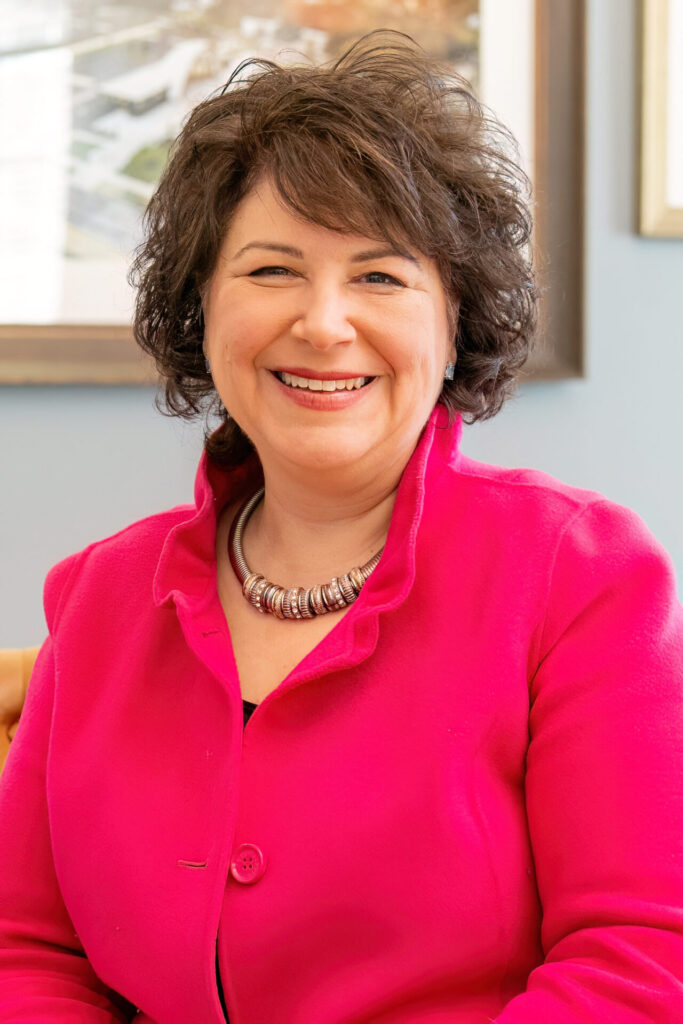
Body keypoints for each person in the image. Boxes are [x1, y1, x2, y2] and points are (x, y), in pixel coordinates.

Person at [0, 31, 682, 1024]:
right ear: (201, 306)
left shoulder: (576, 576)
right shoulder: (100, 595)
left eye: (379, 277)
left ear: (454, 322)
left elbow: (639, 957)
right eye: (272, 270)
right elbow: (28, 953)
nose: (323, 323)